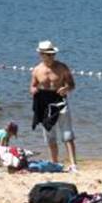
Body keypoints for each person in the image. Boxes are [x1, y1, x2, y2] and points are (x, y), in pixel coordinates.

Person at [30, 40, 78, 169]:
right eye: (48, 54)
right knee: (50, 134)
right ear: (41, 54)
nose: (51, 57)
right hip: (45, 102)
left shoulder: (62, 67)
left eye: (53, 54)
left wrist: (66, 88)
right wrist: (33, 90)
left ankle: (73, 164)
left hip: (60, 100)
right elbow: (33, 85)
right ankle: (55, 164)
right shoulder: (37, 70)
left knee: (67, 134)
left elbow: (72, 84)